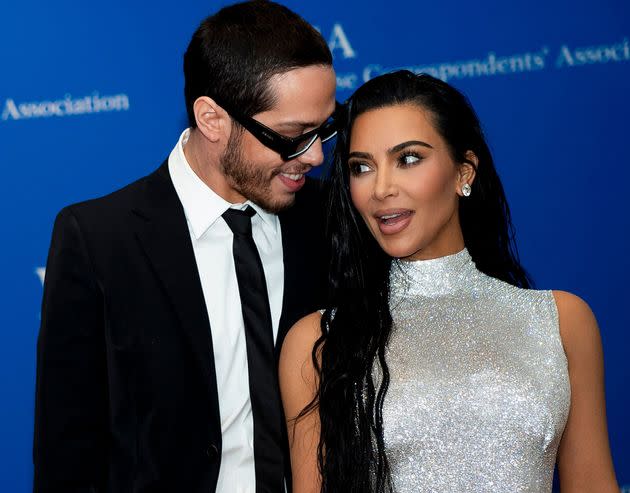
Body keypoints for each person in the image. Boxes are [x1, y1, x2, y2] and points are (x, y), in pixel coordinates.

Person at [33, 1, 337, 492]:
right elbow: (67, 453)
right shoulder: (98, 240)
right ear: (212, 119)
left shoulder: (328, 219)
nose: (316, 155)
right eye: (292, 136)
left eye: (324, 128)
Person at [279, 71, 619, 492]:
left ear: (465, 172)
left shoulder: (562, 322)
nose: (381, 188)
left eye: (408, 159)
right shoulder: (319, 341)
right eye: (361, 167)